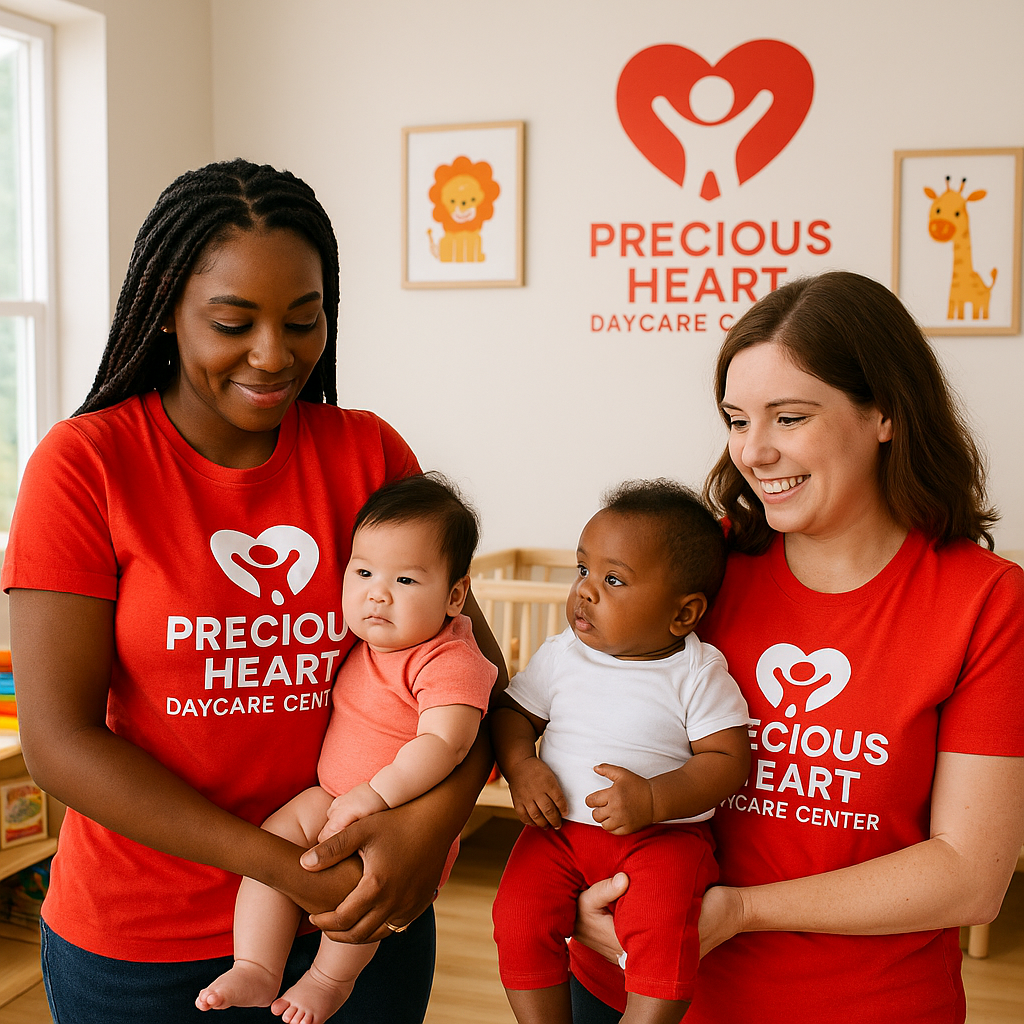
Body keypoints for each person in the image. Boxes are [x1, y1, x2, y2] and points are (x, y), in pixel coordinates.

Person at [1, 159, 505, 1024]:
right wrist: (283, 868)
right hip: (146, 944)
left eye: (304, 321)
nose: (275, 355)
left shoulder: (367, 454)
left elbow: (475, 680)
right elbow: (58, 743)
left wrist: (425, 835)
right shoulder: (85, 466)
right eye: (233, 323)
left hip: (358, 919)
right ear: (166, 308)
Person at [567, 272, 1024, 1024]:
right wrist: (581, 891)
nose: (754, 452)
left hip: (859, 1005)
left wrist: (742, 910)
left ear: (885, 412)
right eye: (736, 420)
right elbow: (583, 730)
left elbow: (970, 876)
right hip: (627, 982)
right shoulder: (693, 573)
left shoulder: (984, 600)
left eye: (789, 418)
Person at [198, 473, 497, 1023]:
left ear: (456, 596)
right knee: (272, 844)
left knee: (364, 891)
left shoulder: (449, 658)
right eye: (362, 573)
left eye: (405, 579)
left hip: (397, 817)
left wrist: (376, 796)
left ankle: (329, 980)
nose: (377, 593)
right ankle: (257, 966)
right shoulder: (368, 644)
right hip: (331, 794)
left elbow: (447, 743)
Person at [491, 480, 751, 1024]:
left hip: (661, 838)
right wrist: (522, 766)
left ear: (683, 614)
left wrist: (655, 798)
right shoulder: (561, 655)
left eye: (613, 579)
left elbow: (728, 761)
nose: (584, 590)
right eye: (582, 569)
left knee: (664, 926)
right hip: (558, 831)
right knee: (517, 914)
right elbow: (514, 715)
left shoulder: (697, 672)